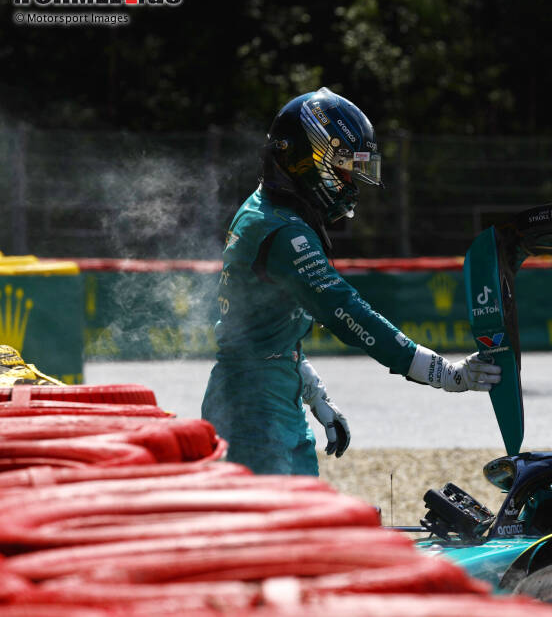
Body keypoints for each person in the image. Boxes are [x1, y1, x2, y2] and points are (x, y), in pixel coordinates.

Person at [202, 87, 501, 476]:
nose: (350, 184)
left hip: (265, 393)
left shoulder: (267, 210)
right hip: (254, 407)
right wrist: (445, 374)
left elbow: (261, 330)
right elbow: (344, 311)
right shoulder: (282, 231)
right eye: (343, 169)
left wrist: (313, 393)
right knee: (278, 531)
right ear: (306, 158)